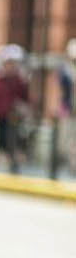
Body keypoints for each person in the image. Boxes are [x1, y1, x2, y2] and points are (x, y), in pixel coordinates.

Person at [0, 43, 31, 173]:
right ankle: (3, 159)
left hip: (16, 115)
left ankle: (15, 160)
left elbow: (24, 97)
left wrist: (24, 109)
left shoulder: (19, 80)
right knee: (2, 137)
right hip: (2, 115)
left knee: (17, 138)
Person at [55, 37, 76, 176]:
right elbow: (63, 89)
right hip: (68, 109)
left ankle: (73, 164)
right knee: (65, 139)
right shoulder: (65, 70)